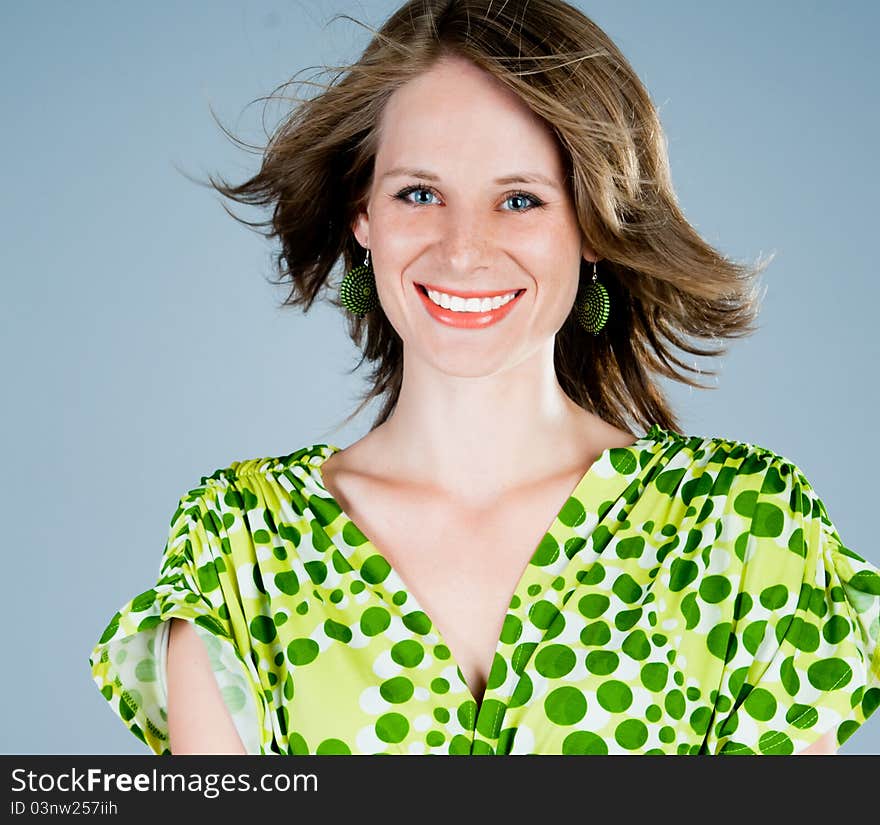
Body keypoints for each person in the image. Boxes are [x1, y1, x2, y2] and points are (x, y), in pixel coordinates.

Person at [88, 0, 879, 756]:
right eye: (420, 193)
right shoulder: (238, 546)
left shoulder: (745, 534)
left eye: (520, 199)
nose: (463, 250)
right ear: (363, 213)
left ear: (596, 224)